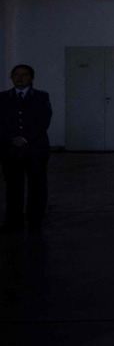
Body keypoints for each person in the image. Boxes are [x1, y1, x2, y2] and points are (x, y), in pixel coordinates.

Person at [1, 64, 53, 232]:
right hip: (10, 149)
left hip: (35, 148)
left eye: (24, 75)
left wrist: (25, 138)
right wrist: (11, 139)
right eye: (16, 74)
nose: (20, 77)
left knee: (37, 184)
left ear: (31, 78)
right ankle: (13, 220)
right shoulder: (3, 97)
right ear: (11, 77)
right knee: (13, 185)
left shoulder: (41, 97)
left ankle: (35, 218)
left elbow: (43, 121)